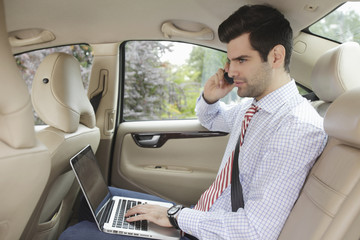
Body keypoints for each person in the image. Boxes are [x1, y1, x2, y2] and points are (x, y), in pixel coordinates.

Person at [59, 4, 327, 240]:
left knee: (74, 234)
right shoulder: (254, 107)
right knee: (98, 201)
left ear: (276, 56)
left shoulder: (296, 127)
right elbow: (213, 120)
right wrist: (210, 98)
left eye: (242, 60)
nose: (231, 72)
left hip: (215, 232)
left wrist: (176, 216)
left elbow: (254, 232)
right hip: (204, 219)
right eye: (229, 60)